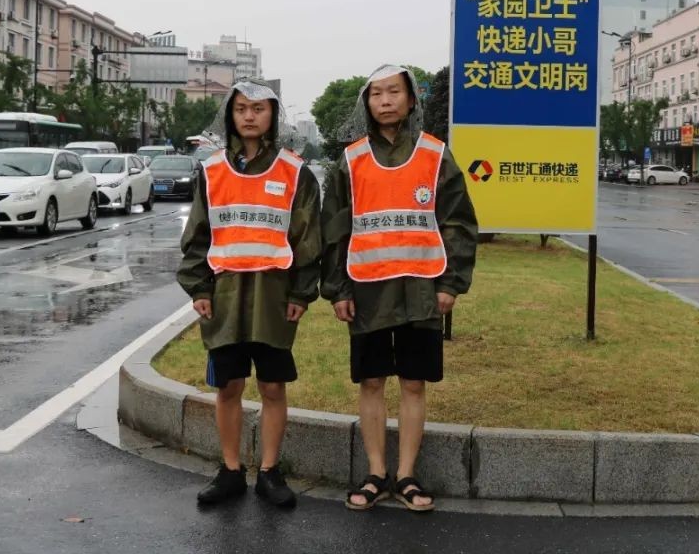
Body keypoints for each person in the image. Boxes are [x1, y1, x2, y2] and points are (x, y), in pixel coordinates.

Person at [321, 65, 478, 512]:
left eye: (395, 92)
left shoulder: (435, 154)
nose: (386, 100)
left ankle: (407, 474)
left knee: (413, 382)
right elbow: (333, 229)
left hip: (422, 291)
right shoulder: (350, 161)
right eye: (376, 94)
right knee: (371, 380)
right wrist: (337, 290)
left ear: (411, 100)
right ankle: (375, 472)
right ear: (366, 103)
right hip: (366, 290)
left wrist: (451, 284)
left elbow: (458, 222)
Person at [177, 80, 321, 509]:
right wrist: (198, 286)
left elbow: (309, 239)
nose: (249, 116)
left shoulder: (295, 172)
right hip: (224, 298)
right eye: (241, 108)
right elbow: (197, 236)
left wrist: (302, 292)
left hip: (275, 299)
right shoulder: (213, 170)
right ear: (231, 115)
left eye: (258, 108)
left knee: (273, 386)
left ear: (272, 115)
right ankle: (230, 470)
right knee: (229, 387)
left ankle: (270, 472)